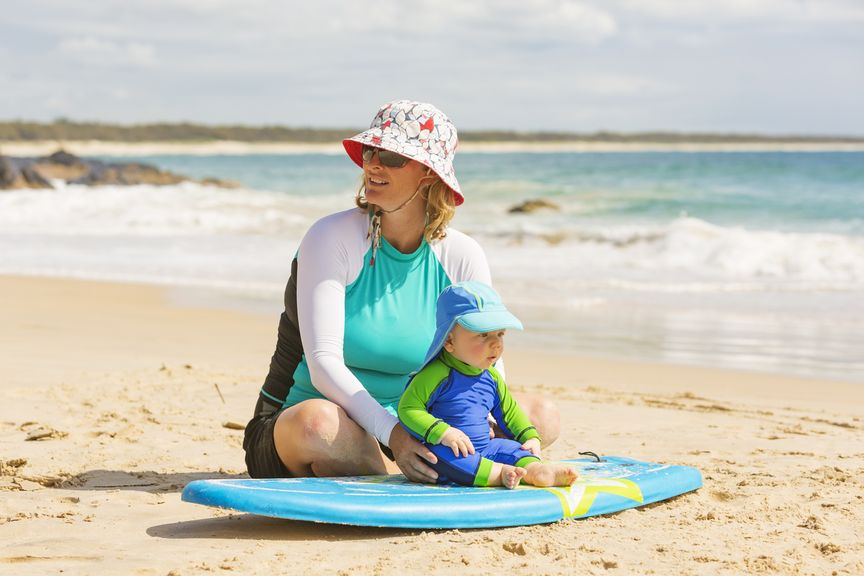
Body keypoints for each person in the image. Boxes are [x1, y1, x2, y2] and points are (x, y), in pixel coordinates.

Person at [243, 99, 561, 482]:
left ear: (429, 174)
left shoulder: (461, 255)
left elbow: (488, 362)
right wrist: (394, 435)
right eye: (371, 152)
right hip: (311, 421)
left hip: (421, 420)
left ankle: (425, 468)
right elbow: (323, 364)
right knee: (321, 425)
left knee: (541, 416)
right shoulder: (330, 238)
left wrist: (490, 426)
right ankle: (404, 469)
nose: (374, 164)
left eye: (392, 157)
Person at [398, 281, 578, 488]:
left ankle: (536, 470)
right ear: (449, 341)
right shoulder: (435, 374)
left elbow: (510, 413)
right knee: (444, 456)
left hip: (486, 446)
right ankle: (501, 473)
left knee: (512, 448)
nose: (496, 343)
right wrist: (443, 433)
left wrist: (530, 437)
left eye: (500, 334)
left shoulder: (491, 376)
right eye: (483, 335)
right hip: (446, 449)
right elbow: (408, 409)